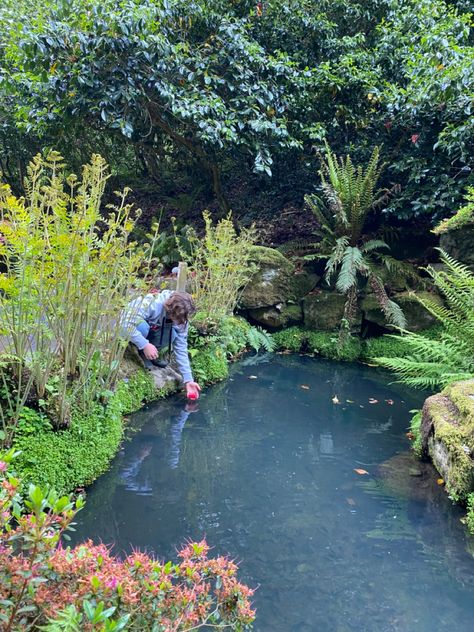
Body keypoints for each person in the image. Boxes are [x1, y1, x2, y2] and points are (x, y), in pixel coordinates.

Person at [122, 290, 201, 400]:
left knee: (173, 333)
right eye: (178, 319)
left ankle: (149, 355)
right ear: (170, 311)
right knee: (142, 327)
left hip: (153, 332)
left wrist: (188, 380)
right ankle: (138, 350)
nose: (181, 322)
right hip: (130, 331)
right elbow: (124, 324)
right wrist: (145, 345)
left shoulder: (182, 318)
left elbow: (181, 348)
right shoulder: (151, 303)